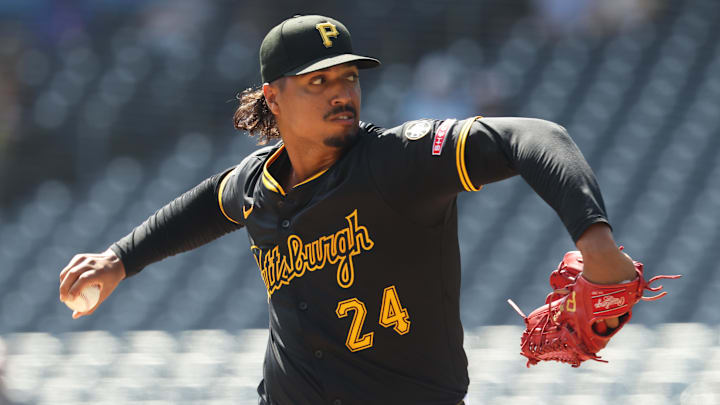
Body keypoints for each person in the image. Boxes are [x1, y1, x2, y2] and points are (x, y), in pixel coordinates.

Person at [58, 14, 637, 405]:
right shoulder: (258, 183)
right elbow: (206, 205)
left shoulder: (396, 161)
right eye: (319, 80)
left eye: (350, 77)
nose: (343, 91)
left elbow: (535, 136)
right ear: (273, 97)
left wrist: (597, 244)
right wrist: (119, 260)